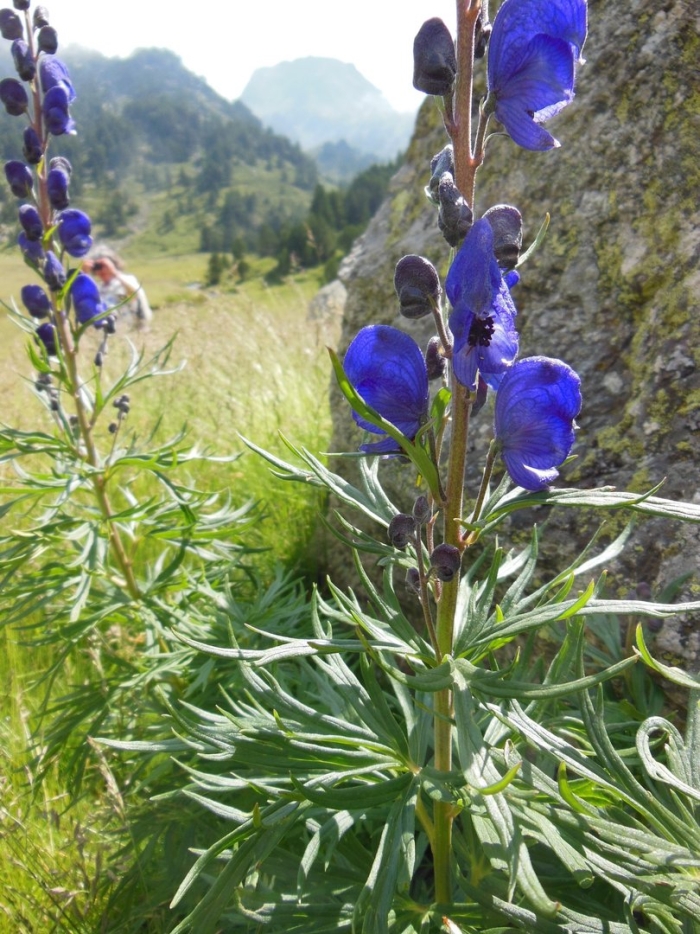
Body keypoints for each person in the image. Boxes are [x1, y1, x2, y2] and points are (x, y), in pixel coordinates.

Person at [82, 248, 152, 328]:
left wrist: (114, 272)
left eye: (104, 266)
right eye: (97, 267)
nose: (101, 270)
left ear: (113, 264)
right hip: (111, 329)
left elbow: (134, 296)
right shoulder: (99, 288)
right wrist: (84, 275)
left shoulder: (126, 280)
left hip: (132, 327)